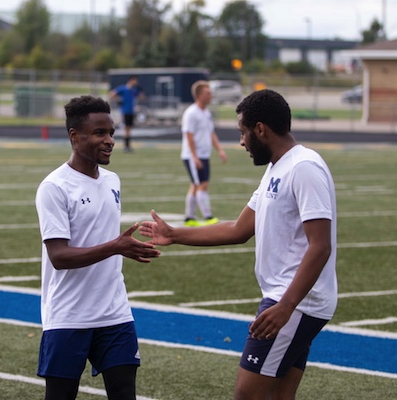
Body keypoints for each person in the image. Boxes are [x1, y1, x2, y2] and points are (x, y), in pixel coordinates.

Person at [140, 89, 337, 400]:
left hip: (294, 303)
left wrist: (285, 306)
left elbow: (320, 246)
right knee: (278, 396)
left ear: (260, 129)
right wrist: (175, 235)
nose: (242, 142)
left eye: (243, 132)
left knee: (247, 395)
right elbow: (239, 228)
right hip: (289, 301)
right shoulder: (278, 167)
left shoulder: (304, 167)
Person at [35, 95, 161, 400]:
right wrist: (116, 246)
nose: (109, 141)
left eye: (112, 133)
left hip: (114, 312)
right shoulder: (54, 187)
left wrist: (121, 246)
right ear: (74, 137)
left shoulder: (112, 180)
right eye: (99, 133)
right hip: (68, 314)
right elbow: (59, 256)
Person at [181, 80, 227, 227]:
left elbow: (211, 133)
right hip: (193, 156)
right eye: (208, 93)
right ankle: (208, 217)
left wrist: (219, 149)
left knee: (196, 185)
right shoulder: (191, 113)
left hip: (204, 155)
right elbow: (188, 135)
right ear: (200, 95)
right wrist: (194, 157)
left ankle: (189, 218)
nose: (211, 96)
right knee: (202, 184)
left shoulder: (206, 113)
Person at [109, 75, 144, 152]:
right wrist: (118, 101)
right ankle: (126, 146)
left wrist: (140, 90)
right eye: (135, 80)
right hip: (125, 111)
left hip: (131, 111)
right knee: (126, 129)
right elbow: (112, 93)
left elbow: (142, 98)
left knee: (129, 129)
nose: (136, 82)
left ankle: (128, 146)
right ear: (131, 80)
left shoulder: (134, 90)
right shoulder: (123, 88)